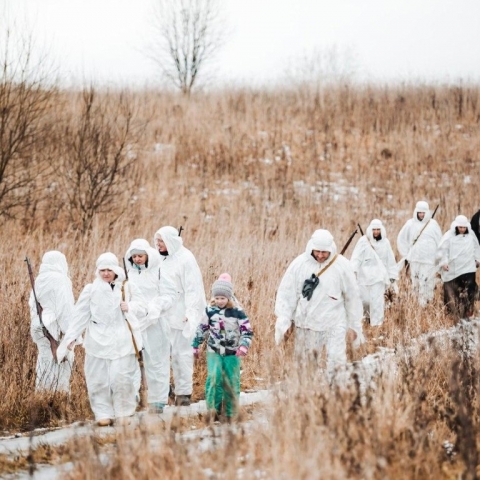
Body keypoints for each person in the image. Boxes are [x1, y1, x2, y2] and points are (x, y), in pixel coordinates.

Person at [56, 252, 146, 426]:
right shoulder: (90, 290)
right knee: (98, 379)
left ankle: (124, 412)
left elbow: (143, 306)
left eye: (109, 270)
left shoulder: (127, 287)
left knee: (121, 378)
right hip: (97, 341)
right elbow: (80, 314)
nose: (106, 273)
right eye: (102, 270)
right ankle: (103, 413)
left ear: (115, 270)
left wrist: (130, 306)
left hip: (122, 340)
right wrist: (72, 336)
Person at [274, 229, 364, 376]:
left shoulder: (342, 266)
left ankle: (336, 393)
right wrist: (285, 321)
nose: (320, 256)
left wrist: (354, 325)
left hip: (334, 323)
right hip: (306, 323)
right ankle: (307, 394)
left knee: (337, 364)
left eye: (324, 252)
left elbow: (352, 297)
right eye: (317, 252)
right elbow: (287, 294)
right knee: (304, 367)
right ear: (311, 248)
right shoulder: (299, 265)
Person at [154, 226, 206, 406]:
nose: (158, 244)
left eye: (162, 241)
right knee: (159, 355)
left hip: (181, 315)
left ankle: (183, 393)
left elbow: (193, 289)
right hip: (162, 315)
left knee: (181, 355)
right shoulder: (157, 258)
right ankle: (163, 391)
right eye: (157, 241)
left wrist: (191, 313)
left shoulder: (186, 259)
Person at [124, 239, 178, 414]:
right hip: (136, 322)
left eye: (140, 256)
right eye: (134, 256)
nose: (137, 259)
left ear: (148, 255)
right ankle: (131, 400)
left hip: (156, 322)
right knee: (131, 362)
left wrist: (156, 306)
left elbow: (170, 295)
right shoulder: (129, 275)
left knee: (157, 362)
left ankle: (158, 401)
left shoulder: (160, 271)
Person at [192, 273, 253, 421]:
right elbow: (202, 327)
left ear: (229, 297)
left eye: (223, 298)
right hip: (214, 351)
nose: (220, 301)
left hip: (233, 352)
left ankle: (231, 412)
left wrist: (244, 345)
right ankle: (213, 410)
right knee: (214, 378)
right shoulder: (209, 311)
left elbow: (247, 331)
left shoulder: (238, 312)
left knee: (231, 380)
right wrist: (196, 344)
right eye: (217, 298)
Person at [29, 251, 75, 392]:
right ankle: (58, 399)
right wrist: (71, 334)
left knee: (44, 360)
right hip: (54, 327)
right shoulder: (61, 279)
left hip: (39, 326)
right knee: (61, 364)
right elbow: (65, 308)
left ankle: (42, 394)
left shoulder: (40, 279)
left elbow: (32, 304)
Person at [350, 219, 398, 326]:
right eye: (374, 230)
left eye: (378, 230)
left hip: (379, 278)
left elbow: (390, 260)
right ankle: (366, 319)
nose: (376, 232)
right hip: (364, 278)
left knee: (377, 303)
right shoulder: (363, 241)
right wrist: (353, 271)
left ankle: (376, 325)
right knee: (365, 301)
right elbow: (356, 258)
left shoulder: (385, 243)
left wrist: (392, 275)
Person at [397, 201, 442, 306]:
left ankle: (427, 305)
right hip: (415, 260)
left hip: (429, 261)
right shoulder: (410, 224)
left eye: (423, 213)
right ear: (416, 212)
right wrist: (406, 254)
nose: (421, 215)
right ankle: (417, 306)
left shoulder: (433, 225)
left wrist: (439, 258)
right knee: (416, 284)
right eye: (419, 212)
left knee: (428, 283)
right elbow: (401, 239)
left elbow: (440, 242)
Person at [437, 215, 480, 319]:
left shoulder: (471, 235)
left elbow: (476, 247)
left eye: (464, 227)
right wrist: (444, 262)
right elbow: (443, 250)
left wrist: (477, 259)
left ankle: (468, 312)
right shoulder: (448, 236)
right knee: (453, 292)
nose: (462, 229)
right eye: (460, 227)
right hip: (454, 270)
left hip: (468, 268)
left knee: (469, 290)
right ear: (456, 226)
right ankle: (452, 314)